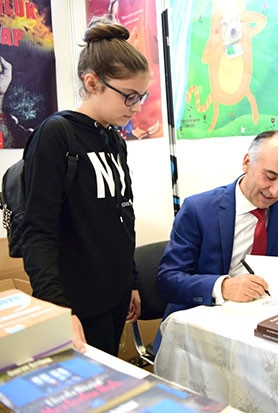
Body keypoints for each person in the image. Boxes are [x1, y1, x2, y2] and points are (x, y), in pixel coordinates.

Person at [21, 17, 150, 356]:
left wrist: (131, 282)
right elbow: (37, 233)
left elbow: (123, 216)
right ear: (92, 83)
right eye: (129, 96)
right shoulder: (56, 135)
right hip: (75, 304)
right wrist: (59, 310)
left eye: (141, 96)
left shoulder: (113, 139)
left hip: (114, 298)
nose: (137, 107)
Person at [155, 130, 278, 348]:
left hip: (258, 319)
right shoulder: (198, 209)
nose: (276, 191)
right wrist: (223, 287)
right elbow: (167, 280)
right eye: (270, 177)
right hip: (203, 326)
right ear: (246, 163)